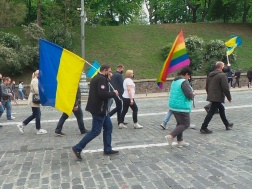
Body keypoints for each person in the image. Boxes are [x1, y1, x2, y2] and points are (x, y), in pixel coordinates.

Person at [72, 64, 119, 160]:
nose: (110, 73)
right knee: (95, 131)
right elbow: (102, 94)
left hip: (102, 109)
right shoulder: (101, 79)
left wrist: (108, 80)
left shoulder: (98, 78)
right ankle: (78, 147)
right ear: (105, 70)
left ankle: (107, 149)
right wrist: (113, 93)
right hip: (99, 109)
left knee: (108, 127)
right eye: (109, 71)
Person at [164, 67, 195, 147]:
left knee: (179, 123)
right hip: (182, 106)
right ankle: (171, 136)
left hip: (174, 106)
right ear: (187, 74)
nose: (189, 77)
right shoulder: (184, 82)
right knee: (185, 124)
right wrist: (192, 94)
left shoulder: (175, 81)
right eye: (189, 75)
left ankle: (180, 140)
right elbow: (188, 94)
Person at [200, 61, 233, 134]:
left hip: (212, 95)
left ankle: (227, 124)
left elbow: (207, 86)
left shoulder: (210, 75)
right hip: (217, 96)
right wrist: (229, 97)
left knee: (221, 109)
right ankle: (203, 127)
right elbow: (225, 88)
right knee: (211, 112)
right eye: (223, 66)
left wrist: (210, 94)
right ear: (221, 67)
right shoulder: (222, 75)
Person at [16, 70, 47, 135]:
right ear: (37, 74)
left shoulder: (35, 80)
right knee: (37, 115)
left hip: (34, 100)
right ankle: (38, 129)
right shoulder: (35, 81)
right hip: (34, 100)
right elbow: (37, 91)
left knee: (35, 115)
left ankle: (22, 124)